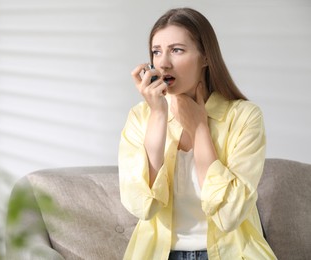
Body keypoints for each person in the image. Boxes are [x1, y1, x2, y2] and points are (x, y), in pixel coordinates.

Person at [118, 7, 277, 260]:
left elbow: (229, 216)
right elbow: (142, 207)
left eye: (177, 50)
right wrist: (158, 115)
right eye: (156, 52)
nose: (163, 62)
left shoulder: (244, 117)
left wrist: (200, 128)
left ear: (205, 57)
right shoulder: (141, 117)